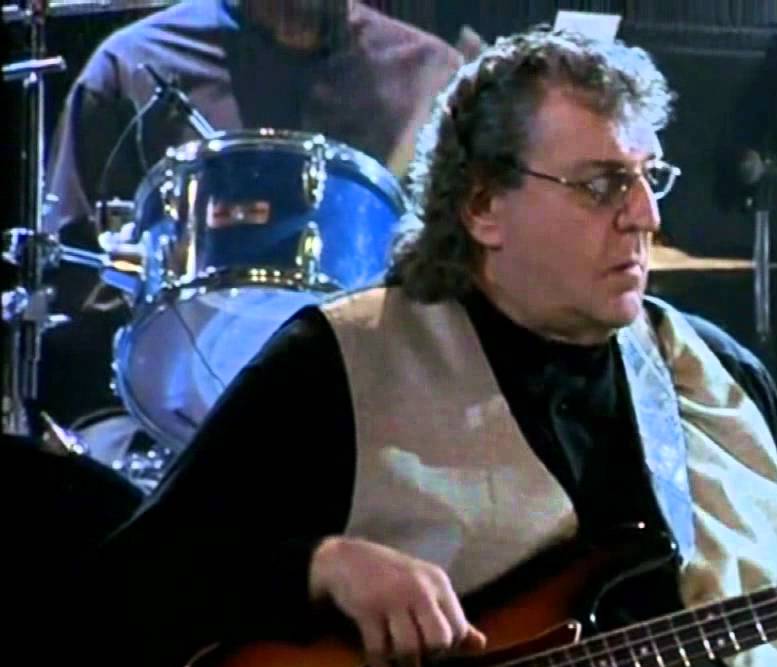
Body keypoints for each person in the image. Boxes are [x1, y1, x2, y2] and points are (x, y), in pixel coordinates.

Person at [68, 27, 777, 667]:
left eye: (646, 176)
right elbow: (117, 602)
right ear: (482, 206)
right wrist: (322, 563)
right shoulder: (341, 360)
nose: (647, 215)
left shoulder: (715, 376)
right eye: (599, 185)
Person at [36, 0, 464, 433]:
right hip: (169, 422)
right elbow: (71, 282)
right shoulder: (131, 65)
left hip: (388, 417)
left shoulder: (433, 78)